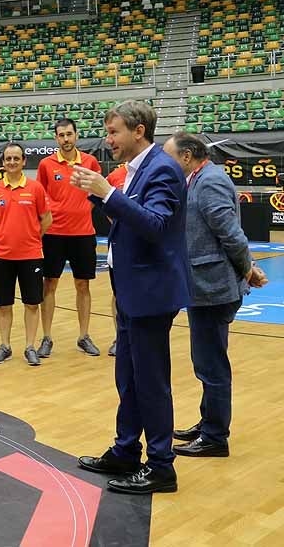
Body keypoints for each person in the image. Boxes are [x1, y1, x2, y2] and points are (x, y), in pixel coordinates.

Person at [73, 100, 189, 495]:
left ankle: (161, 466)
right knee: (129, 377)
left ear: (138, 131)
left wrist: (108, 193)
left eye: (114, 132)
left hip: (151, 294)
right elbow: (129, 217)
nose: (108, 141)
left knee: (151, 382)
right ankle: (126, 450)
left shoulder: (163, 169)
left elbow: (155, 225)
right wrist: (97, 195)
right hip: (132, 291)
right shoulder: (141, 170)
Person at [163, 132, 268, 458]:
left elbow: (231, 234)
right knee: (207, 361)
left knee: (212, 365)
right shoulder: (200, 179)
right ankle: (208, 422)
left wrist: (248, 268)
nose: (166, 163)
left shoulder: (209, 182)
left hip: (214, 288)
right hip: (205, 287)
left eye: (169, 157)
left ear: (186, 156)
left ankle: (215, 437)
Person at [35, 118, 103, 359]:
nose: (66, 139)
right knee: (49, 284)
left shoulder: (90, 162)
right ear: (56, 138)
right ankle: (46, 337)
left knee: (83, 285)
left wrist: (81, 210)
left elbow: (99, 192)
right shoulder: (46, 164)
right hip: (53, 235)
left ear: (76, 135)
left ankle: (84, 336)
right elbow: (40, 198)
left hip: (83, 234)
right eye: (61, 135)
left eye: (69, 134)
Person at [0, 143, 52, 366]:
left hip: (31, 256)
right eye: (8, 159)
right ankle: (5, 346)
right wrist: (6, 237)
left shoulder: (35, 188)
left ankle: (30, 346)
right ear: (3, 163)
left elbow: (46, 220)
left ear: (24, 161)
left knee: (32, 304)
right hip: (2, 256)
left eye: (16, 158)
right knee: (4, 304)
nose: (12, 162)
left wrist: (30, 237)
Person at [104, 163, 128, 357]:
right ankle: (119, 337)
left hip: (146, 243)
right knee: (118, 291)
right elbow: (108, 209)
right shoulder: (114, 176)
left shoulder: (154, 171)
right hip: (119, 242)